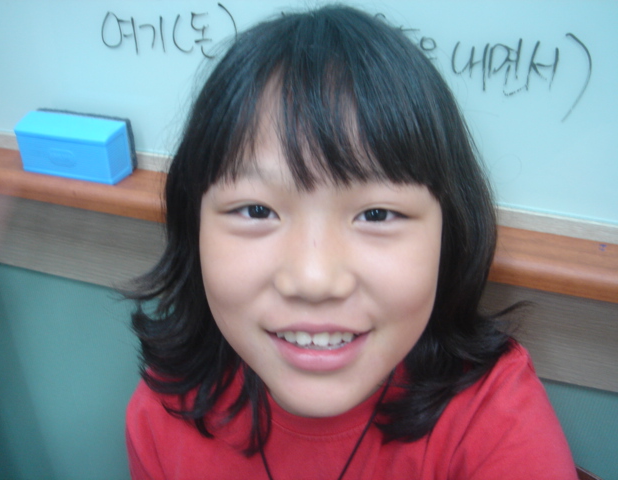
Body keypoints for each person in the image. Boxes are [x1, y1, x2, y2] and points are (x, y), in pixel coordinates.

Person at [125, 5, 577, 479]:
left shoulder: (495, 427)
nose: (314, 280)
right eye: (256, 210)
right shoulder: (164, 411)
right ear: (193, 229)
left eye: (377, 214)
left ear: (450, 235)